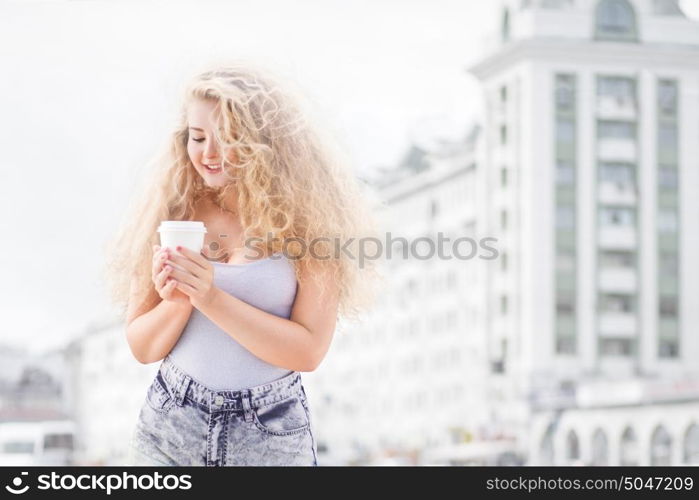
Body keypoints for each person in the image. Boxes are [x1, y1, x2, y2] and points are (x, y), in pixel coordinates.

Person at [103, 60, 383, 466]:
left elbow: (307, 352)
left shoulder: (311, 225)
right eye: (198, 138)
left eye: (227, 137)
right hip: (171, 420)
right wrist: (179, 301)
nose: (209, 153)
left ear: (264, 142)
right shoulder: (175, 213)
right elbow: (143, 347)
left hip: (270, 430)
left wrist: (209, 295)